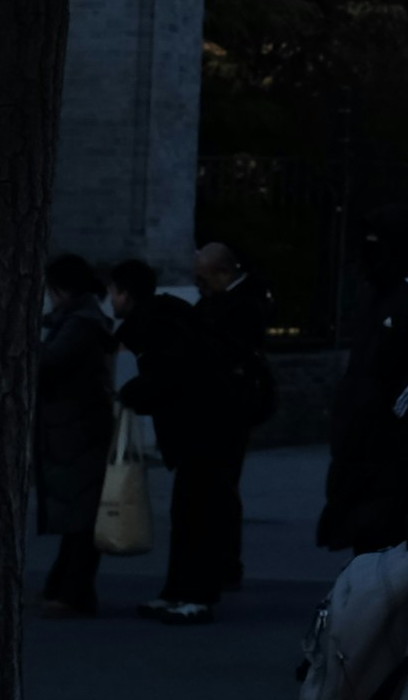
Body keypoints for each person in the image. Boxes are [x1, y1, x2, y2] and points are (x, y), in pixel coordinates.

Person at [121, 235, 276, 623]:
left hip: (218, 421)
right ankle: (180, 589)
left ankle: (197, 591)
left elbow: (215, 359)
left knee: (204, 508)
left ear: (225, 273)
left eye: (203, 278)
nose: (199, 286)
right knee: (191, 508)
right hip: (208, 421)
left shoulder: (244, 308)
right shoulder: (224, 304)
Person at [319, 216, 408, 554]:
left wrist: (398, 407)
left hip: (400, 442)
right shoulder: (371, 292)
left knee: (391, 526)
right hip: (360, 437)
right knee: (361, 525)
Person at [33, 251, 123, 619]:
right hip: (77, 427)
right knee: (79, 515)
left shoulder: (80, 324)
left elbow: (49, 362)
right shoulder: (79, 319)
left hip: (77, 430)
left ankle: (73, 592)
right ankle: (65, 587)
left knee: (82, 517)